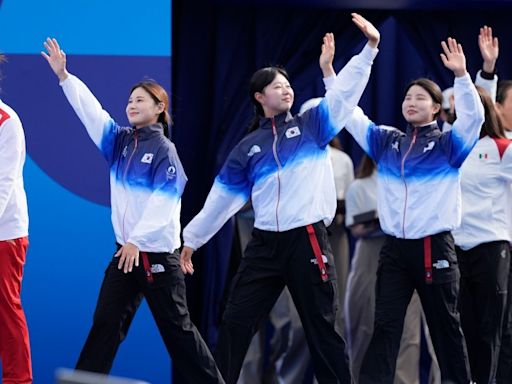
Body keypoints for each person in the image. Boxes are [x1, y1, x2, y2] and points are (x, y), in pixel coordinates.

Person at [180, 13, 380, 384]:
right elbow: (220, 202)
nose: (286, 89)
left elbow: (344, 95)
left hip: (307, 239)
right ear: (259, 97)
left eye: (288, 84)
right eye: (276, 85)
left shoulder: (314, 126)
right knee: (236, 321)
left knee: (321, 329)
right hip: (264, 244)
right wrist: (190, 241)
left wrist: (369, 49)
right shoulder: (246, 148)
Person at [41, 38, 224, 383]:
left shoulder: (164, 150)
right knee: (105, 326)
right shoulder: (121, 142)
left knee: (179, 334)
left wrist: (137, 240)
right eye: (129, 100)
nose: (132, 104)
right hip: (125, 255)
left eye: (140, 99)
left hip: (154, 255)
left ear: (159, 108)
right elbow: (92, 114)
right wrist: (65, 77)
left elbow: (164, 205)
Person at [344, 37, 484, 384]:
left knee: (445, 330)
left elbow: (475, 117)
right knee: (386, 327)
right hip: (395, 250)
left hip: (433, 247)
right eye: (407, 97)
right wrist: (337, 76)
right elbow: (348, 113)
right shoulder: (389, 142)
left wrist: (463, 76)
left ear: (437, 107)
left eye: (420, 97)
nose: (411, 102)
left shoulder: (449, 145)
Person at [343, 155, 440, 384]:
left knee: (408, 333)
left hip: (405, 255)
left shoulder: (409, 183)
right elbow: (354, 227)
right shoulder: (359, 186)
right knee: (364, 326)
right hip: (370, 255)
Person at [452, 86, 512, 384]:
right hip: (455, 249)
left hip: (492, 247)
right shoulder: (450, 147)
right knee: (463, 326)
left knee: (492, 328)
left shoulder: (502, 147)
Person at [0, 53, 31, 384]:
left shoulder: (7, 121)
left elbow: (4, 182)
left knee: (4, 312)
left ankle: (18, 381)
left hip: (4, 234)